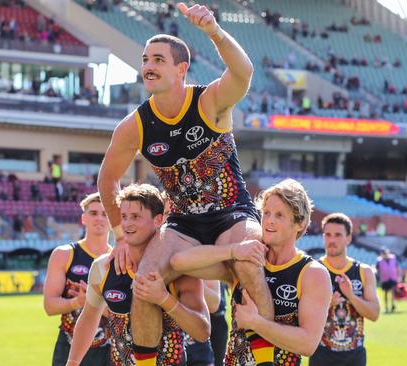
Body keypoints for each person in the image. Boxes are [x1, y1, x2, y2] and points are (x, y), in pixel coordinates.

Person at [97, 2, 274, 365]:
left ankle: (267, 355)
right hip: (182, 224)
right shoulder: (135, 125)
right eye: (146, 59)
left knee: (249, 262)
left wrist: (214, 32)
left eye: (159, 59)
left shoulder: (208, 101)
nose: (148, 65)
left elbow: (243, 73)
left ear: (181, 69)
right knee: (145, 279)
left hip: (232, 214)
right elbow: (107, 179)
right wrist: (120, 236)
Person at [170, 179, 331, 365]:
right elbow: (179, 262)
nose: (269, 220)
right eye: (266, 213)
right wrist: (232, 250)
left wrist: (256, 322)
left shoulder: (312, 273)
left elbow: (308, 344)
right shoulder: (245, 259)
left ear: (300, 223)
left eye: (279, 215)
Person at [66, 184, 210, 366]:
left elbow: (202, 331)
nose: (127, 224)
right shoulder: (103, 267)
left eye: (135, 217)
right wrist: (72, 362)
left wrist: (164, 298)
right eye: (124, 217)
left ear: (158, 220)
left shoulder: (178, 267)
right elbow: (88, 318)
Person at [43, 193, 112, 366]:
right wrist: (77, 301)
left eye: (105, 214)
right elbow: (49, 306)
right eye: (93, 213)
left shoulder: (120, 258)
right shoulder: (64, 254)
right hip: (69, 347)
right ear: (83, 218)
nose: (99, 218)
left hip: (109, 351)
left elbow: (128, 315)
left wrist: (94, 302)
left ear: (112, 220)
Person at [310, 213, 380, 366]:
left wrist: (351, 296)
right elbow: (301, 316)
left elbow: (374, 314)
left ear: (349, 238)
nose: (332, 240)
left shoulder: (364, 271)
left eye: (338, 235)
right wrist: (328, 303)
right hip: (320, 354)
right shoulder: (312, 270)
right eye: (328, 235)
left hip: (354, 356)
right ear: (323, 237)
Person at [375, 247, 400, 313]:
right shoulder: (379, 261)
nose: (385, 254)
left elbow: (397, 267)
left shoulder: (393, 258)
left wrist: (399, 276)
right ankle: (386, 307)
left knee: (392, 291)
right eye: (383, 253)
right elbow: (376, 269)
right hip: (385, 279)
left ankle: (392, 304)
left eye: (385, 253)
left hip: (393, 277)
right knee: (386, 293)